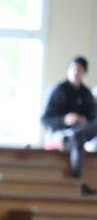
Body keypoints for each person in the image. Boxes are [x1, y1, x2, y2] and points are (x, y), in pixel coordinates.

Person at [41, 55, 97, 195]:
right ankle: (77, 182)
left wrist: (84, 120)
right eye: (73, 68)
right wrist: (65, 120)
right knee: (77, 137)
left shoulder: (87, 94)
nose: (76, 72)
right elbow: (45, 120)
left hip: (83, 132)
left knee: (80, 134)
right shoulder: (59, 90)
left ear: (84, 72)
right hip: (63, 133)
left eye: (79, 69)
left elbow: (93, 119)